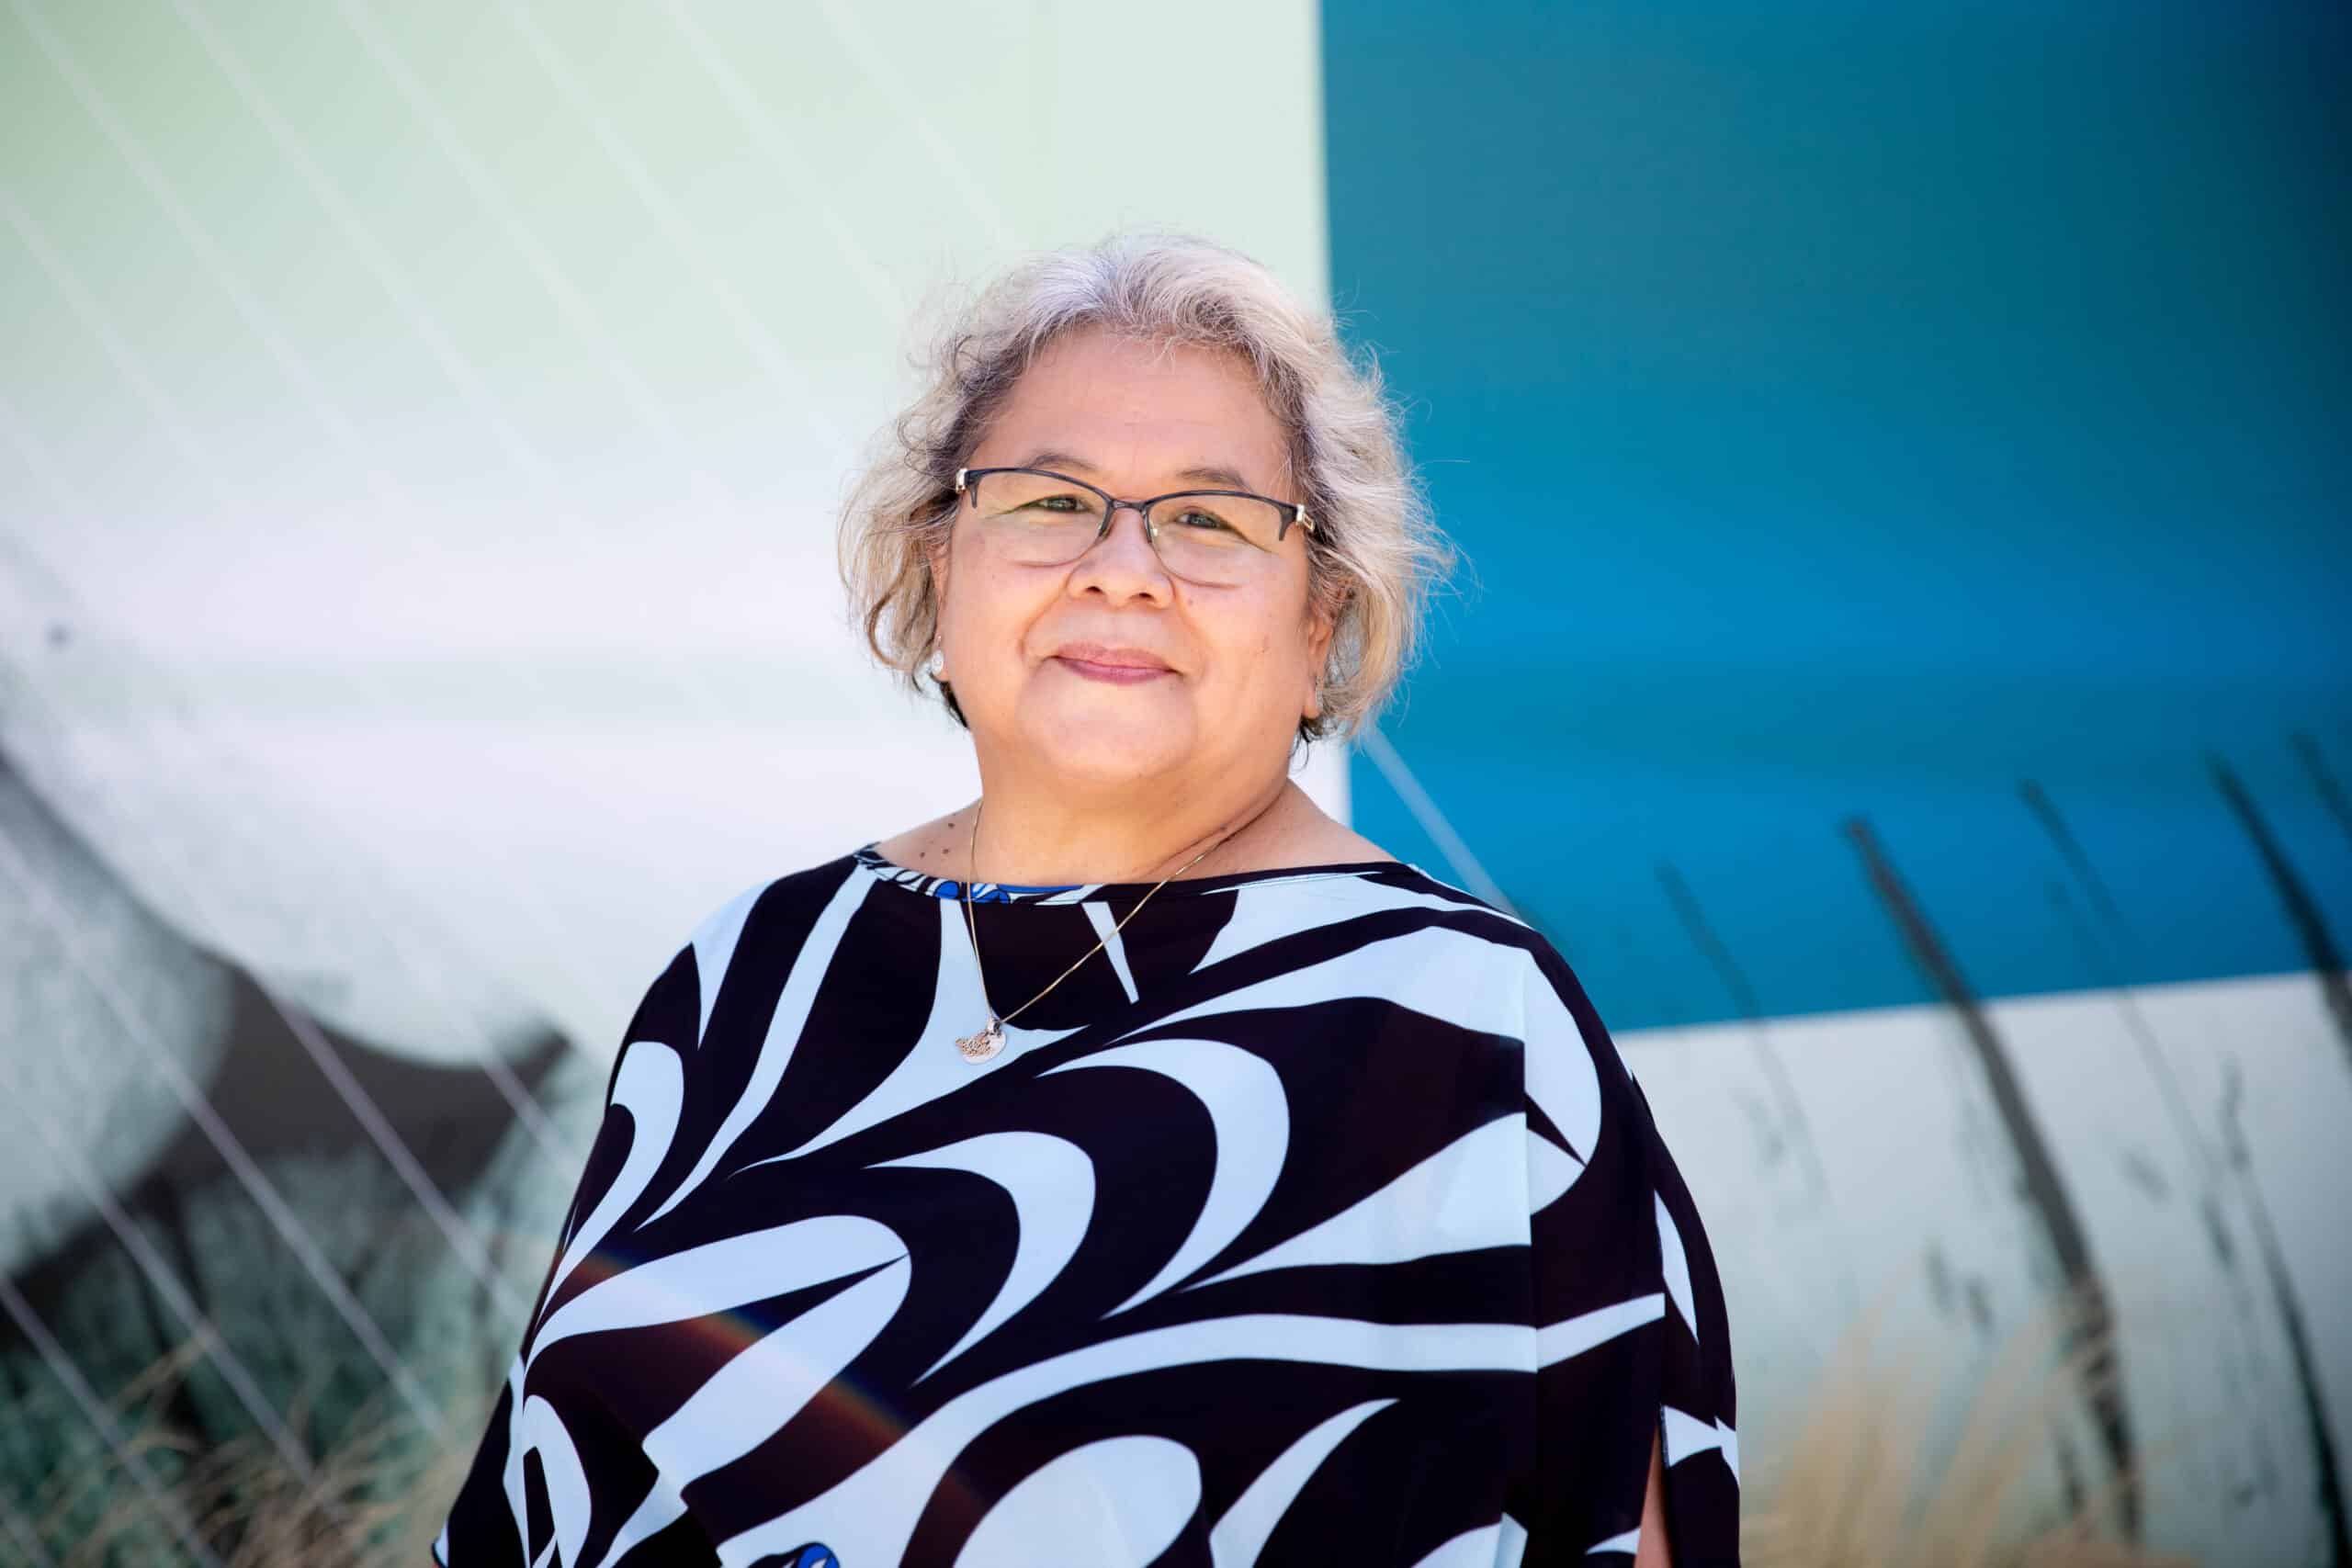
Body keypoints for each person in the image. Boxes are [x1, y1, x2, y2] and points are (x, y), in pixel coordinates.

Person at [433, 233, 1738, 1567]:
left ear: (1318, 624)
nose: (1122, 568)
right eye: (1050, 503)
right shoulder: (750, 972)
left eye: (1211, 520)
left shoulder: (1463, 1023)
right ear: (939, 569)